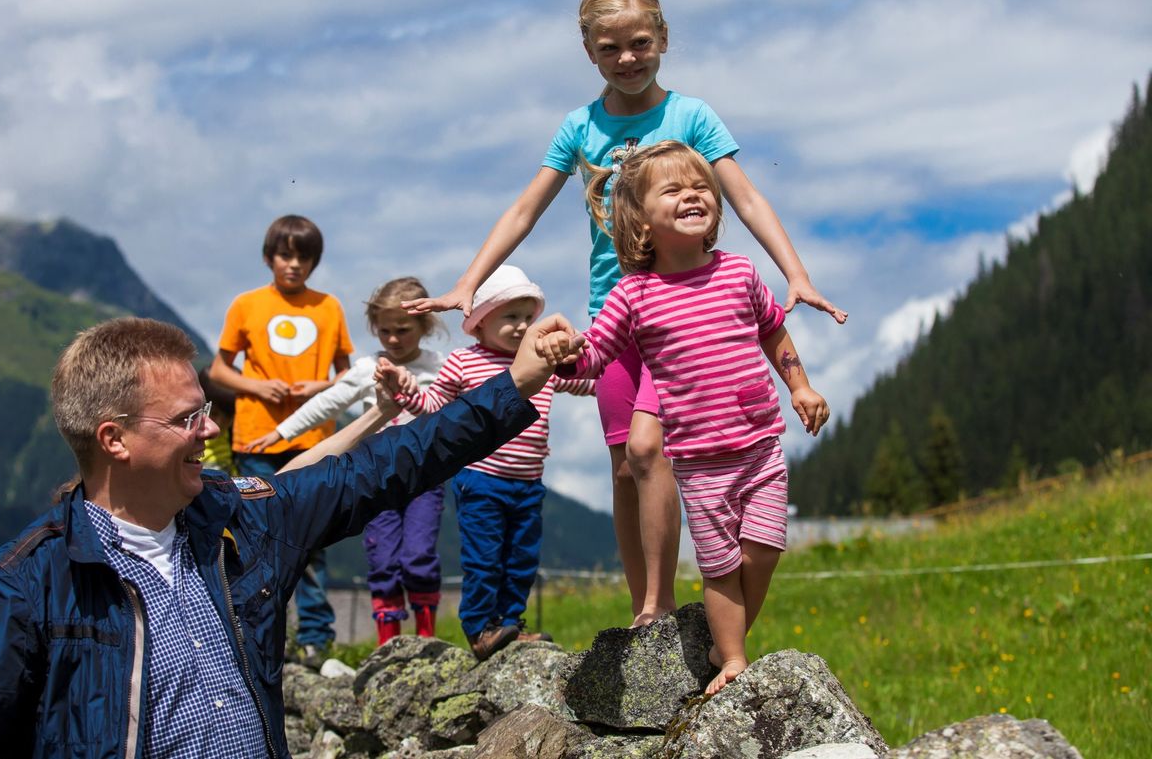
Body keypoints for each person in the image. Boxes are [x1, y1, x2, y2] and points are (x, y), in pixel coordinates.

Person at [405, 0, 846, 629]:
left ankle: (678, 606)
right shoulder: (580, 127)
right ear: (589, 53)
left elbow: (746, 197)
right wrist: (472, 280)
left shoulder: (691, 116)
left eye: (640, 42)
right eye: (611, 49)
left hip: (683, 317)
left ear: (664, 37)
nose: (628, 58)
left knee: (652, 450)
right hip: (619, 313)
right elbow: (526, 207)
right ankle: (652, 606)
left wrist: (796, 272)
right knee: (624, 464)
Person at [0, 315, 568, 757]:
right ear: (113, 438)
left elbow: (390, 463)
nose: (209, 429)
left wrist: (514, 384)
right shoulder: (28, 580)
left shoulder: (243, 518)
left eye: (207, 410)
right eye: (187, 417)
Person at [537, 140, 830, 695]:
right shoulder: (635, 293)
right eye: (672, 189)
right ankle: (734, 655)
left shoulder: (740, 273)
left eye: (701, 186)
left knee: (763, 550)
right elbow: (597, 354)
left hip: (760, 441)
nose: (693, 194)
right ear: (641, 221)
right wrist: (565, 352)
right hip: (697, 460)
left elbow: (773, 330)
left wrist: (801, 385)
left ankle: (727, 637)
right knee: (720, 566)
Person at [384, 266, 594, 661]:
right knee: (484, 558)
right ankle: (481, 627)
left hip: (529, 481)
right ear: (480, 324)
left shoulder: (542, 362)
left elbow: (588, 381)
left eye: (527, 318)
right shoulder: (463, 363)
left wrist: (606, 365)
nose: (521, 327)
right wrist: (405, 393)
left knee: (521, 558)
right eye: (509, 317)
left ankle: (510, 623)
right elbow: (432, 407)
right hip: (480, 478)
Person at [245, 277, 450, 645]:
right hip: (376, 478)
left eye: (402, 330)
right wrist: (281, 433)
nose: (392, 339)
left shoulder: (442, 367)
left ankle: (426, 640)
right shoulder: (367, 367)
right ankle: (390, 645)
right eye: (384, 331)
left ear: (425, 325)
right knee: (383, 560)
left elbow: (465, 411)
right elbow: (328, 401)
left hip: (425, 479)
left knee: (419, 555)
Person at [209, 213, 353, 664]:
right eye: (285, 255)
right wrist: (255, 387)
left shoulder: (329, 307)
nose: (294, 265)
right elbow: (217, 370)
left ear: (314, 262)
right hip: (255, 438)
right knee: (255, 535)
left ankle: (315, 636)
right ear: (270, 257)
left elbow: (348, 373)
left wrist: (319, 388)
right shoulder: (246, 305)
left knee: (311, 538)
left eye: (303, 257)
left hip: (314, 437)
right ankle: (257, 631)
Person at [198, 366, 238, 476]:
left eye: (228, 416)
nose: (219, 423)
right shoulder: (190, 437)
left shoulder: (234, 436)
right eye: (214, 413)